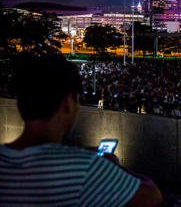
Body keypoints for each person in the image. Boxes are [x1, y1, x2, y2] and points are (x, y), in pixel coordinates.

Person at [0, 56, 163, 207]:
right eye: (79, 98)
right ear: (67, 102)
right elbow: (151, 196)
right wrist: (111, 166)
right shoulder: (83, 169)